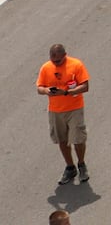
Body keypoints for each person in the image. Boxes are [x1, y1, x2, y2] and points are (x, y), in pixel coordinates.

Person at [38, 43, 90, 185]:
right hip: (55, 111)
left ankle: (81, 164)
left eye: (58, 61)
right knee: (61, 140)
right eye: (53, 60)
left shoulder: (76, 65)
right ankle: (70, 167)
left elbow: (85, 86)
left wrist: (66, 92)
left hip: (74, 108)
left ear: (64, 55)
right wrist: (46, 91)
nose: (55, 63)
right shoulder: (46, 68)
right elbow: (39, 87)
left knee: (78, 139)